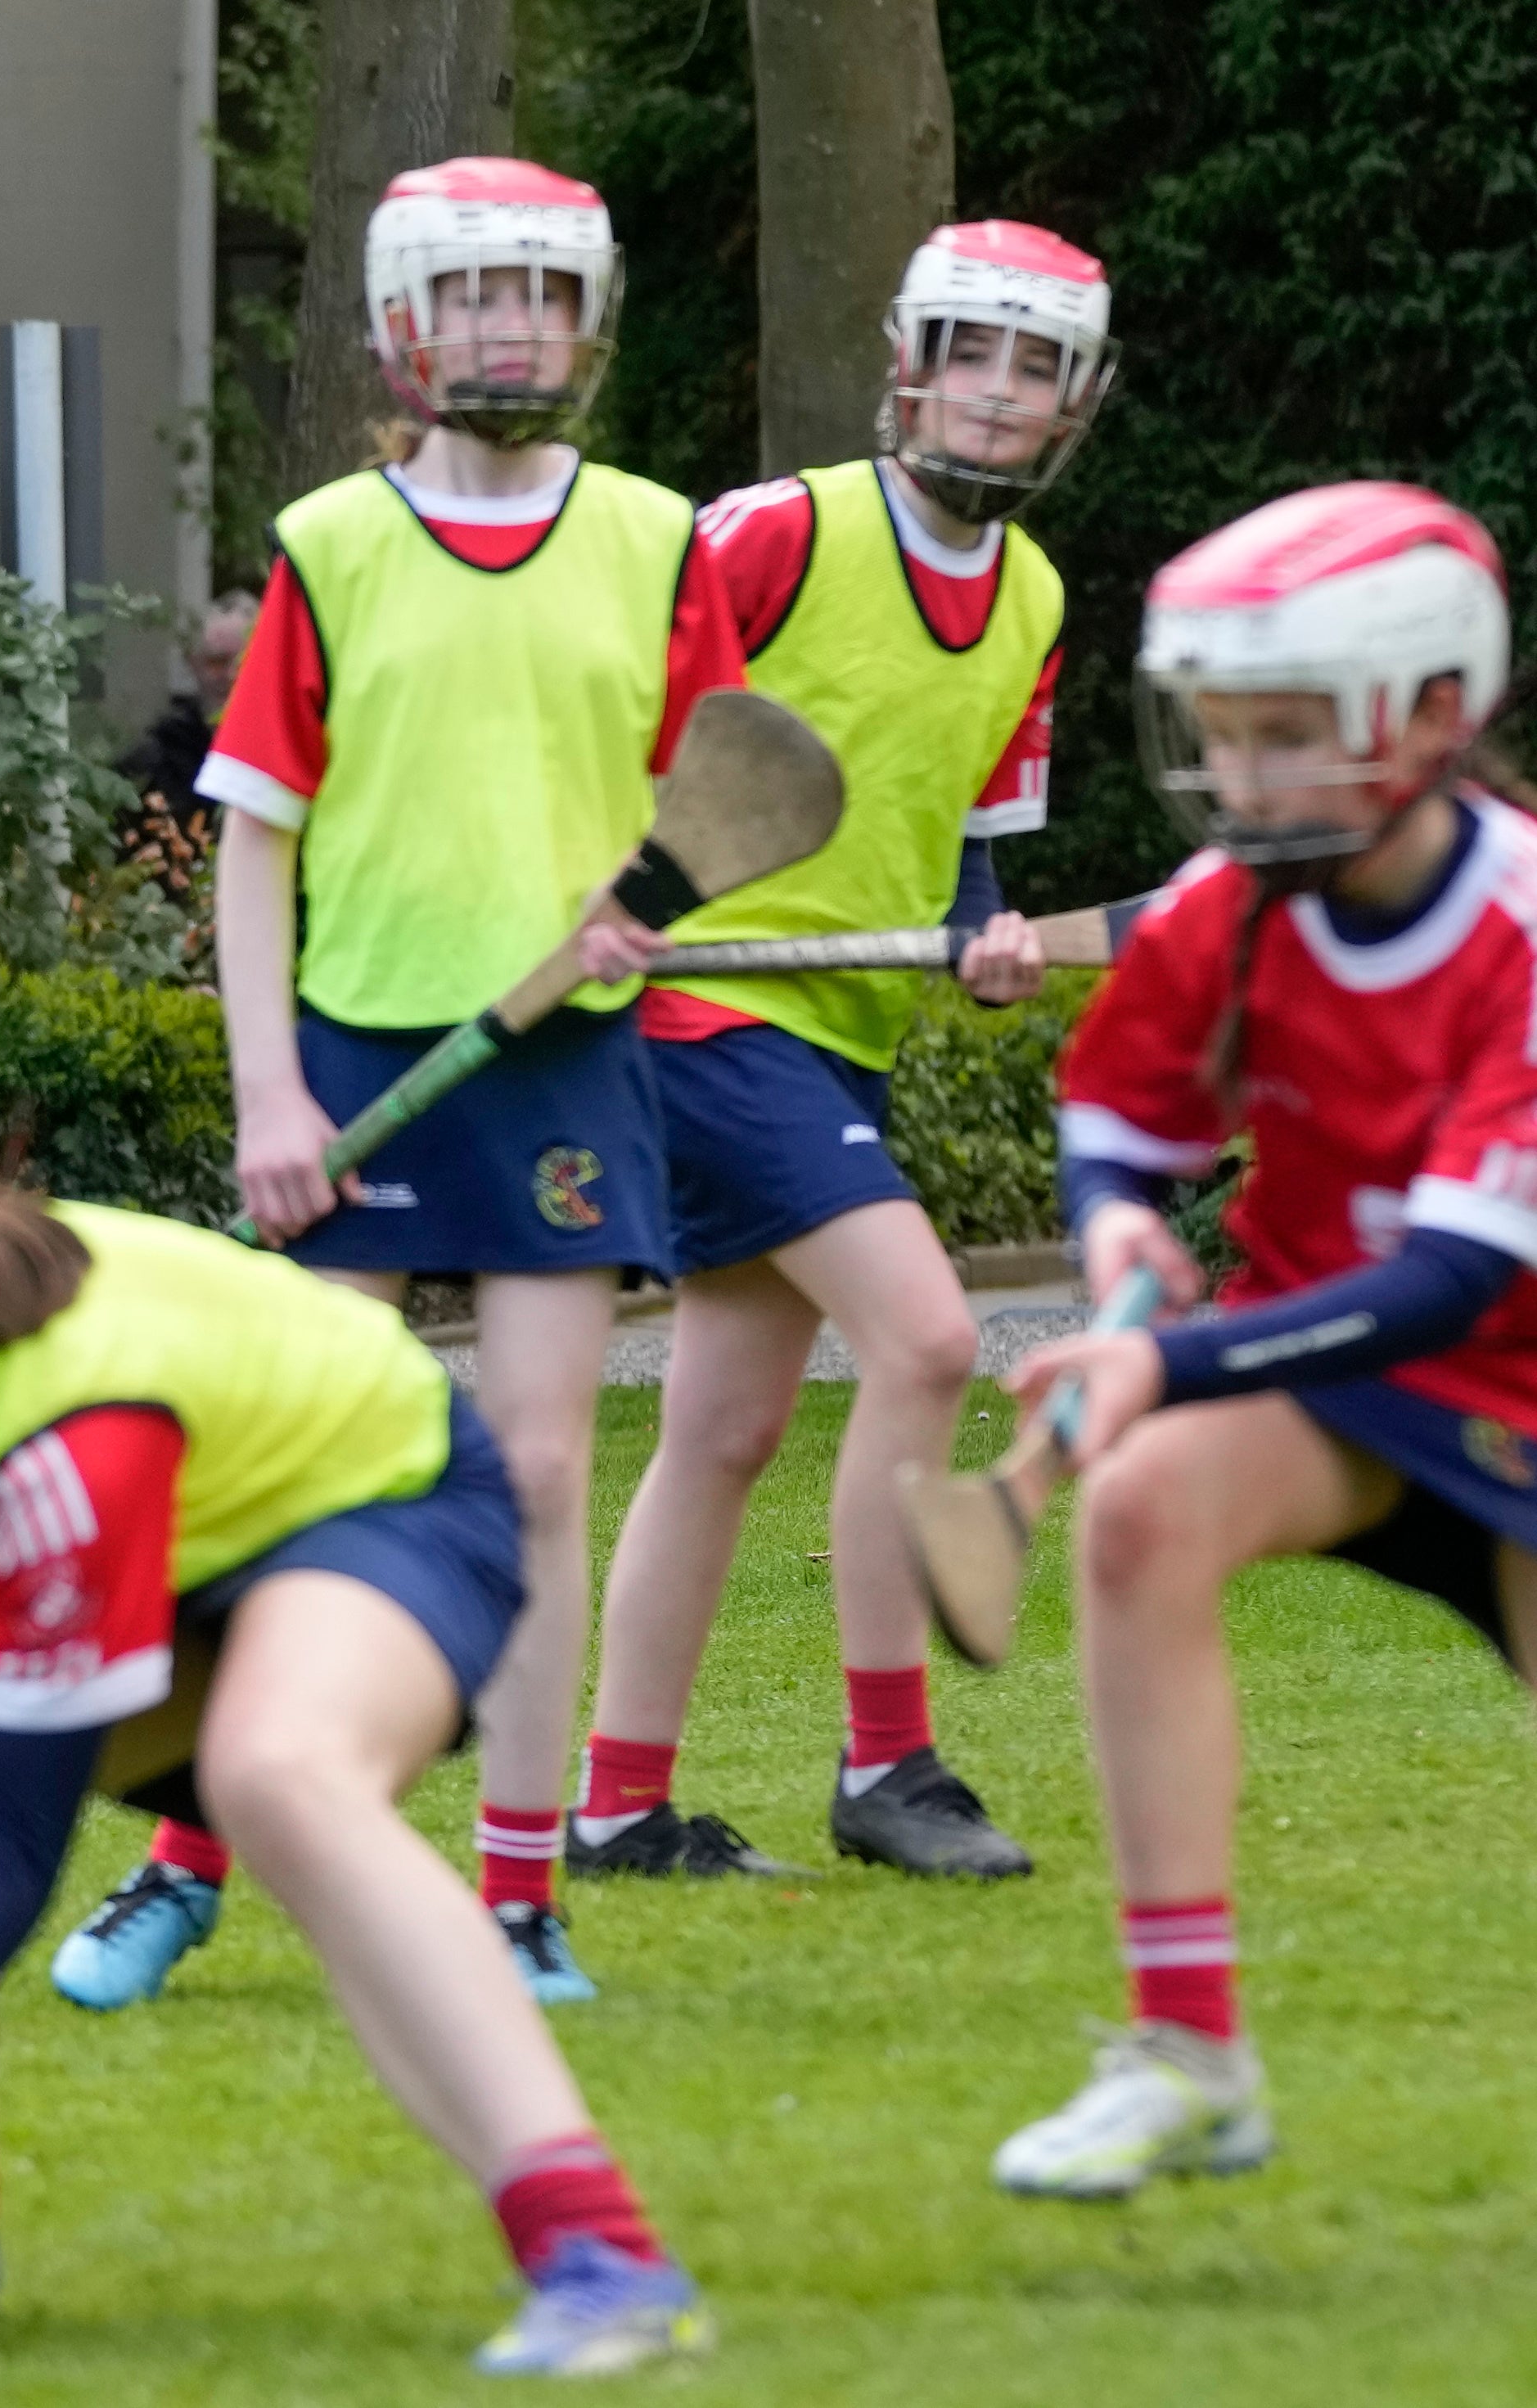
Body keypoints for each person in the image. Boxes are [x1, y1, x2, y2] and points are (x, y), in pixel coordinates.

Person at [0, 1044, 709, 2375]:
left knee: (278, 1768)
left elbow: (11, 1852)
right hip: (169, 1526)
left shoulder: (65, 1432)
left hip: (379, 1498)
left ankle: (600, 2250)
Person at [51, 158, 746, 2013]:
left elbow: (723, 803)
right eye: (475, 292)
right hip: (360, 1045)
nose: (510, 322)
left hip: (565, 1068)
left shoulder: (660, 541)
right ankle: (184, 1857)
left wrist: (646, 912)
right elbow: (255, 847)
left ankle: (517, 1899)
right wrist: (271, 1098)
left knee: (529, 1471)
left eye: (542, 290)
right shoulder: (332, 547)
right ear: (402, 327)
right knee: (284, 1469)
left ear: (585, 320)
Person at [983, 484, 1534, 2196]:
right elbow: (1118, 1112)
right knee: (1140, 1506)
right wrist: (1111, 1225)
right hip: (1344, 1376)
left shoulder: (1519, 932)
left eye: (1288, 737)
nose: (1242, 781)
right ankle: (1186, 2053)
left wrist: (1166, 1357)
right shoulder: (1230, 901)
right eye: (1223, 738)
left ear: (1435, 715)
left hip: (1503, 1367)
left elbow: (1453, 1282)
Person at [574, 223, 1115, 1886]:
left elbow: (958, 838)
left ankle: (613, 1807)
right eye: (971, 349)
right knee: (931, 1336)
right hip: (705, 1009)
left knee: (721, 1430)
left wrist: (989, 933)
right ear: (907, 358)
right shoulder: (775, 532)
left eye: (1034, 366)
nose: (997, 391)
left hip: (841, 1030)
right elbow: (606, 709)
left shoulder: (1028, 597)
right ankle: (889, 1764)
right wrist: (601, 891)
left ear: (1072, 402)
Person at [111, 590, 259, 910]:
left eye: (243, 661)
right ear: (193, 664)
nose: (231, 675)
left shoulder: (286, 755)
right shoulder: (153, 762)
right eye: (218, 662)